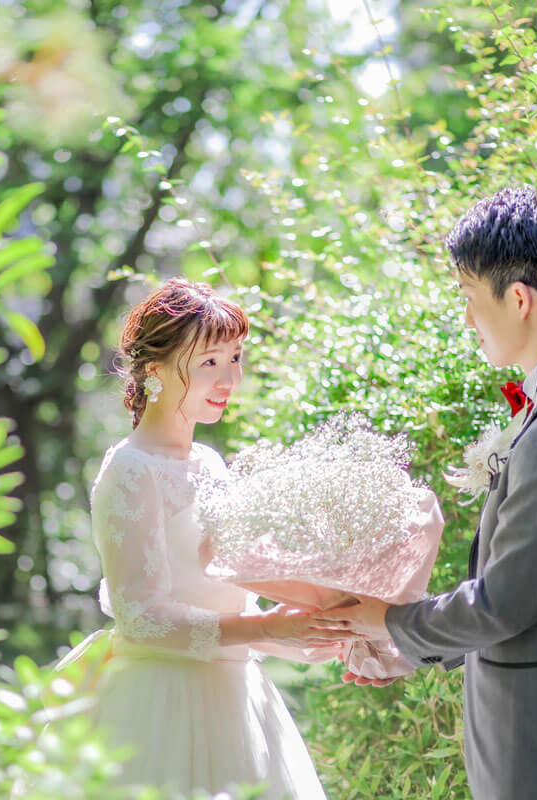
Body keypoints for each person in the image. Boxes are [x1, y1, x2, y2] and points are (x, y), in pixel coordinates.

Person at [320, 187, 537, 800]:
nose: (469, 318)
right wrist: (414, 652)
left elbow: (504, 602)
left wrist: (387, 622)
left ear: (519, 299)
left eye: (471, 299)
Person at [80, 278, 339, 798]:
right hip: (160, 706)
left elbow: (229, 601)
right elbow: (143, 616)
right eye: (209, 363)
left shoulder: (210, 464)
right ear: (153, 370)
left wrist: (314, 633)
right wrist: (268, 627)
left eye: (235, 357)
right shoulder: (131, 470)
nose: (230, 378)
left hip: (239, 702)